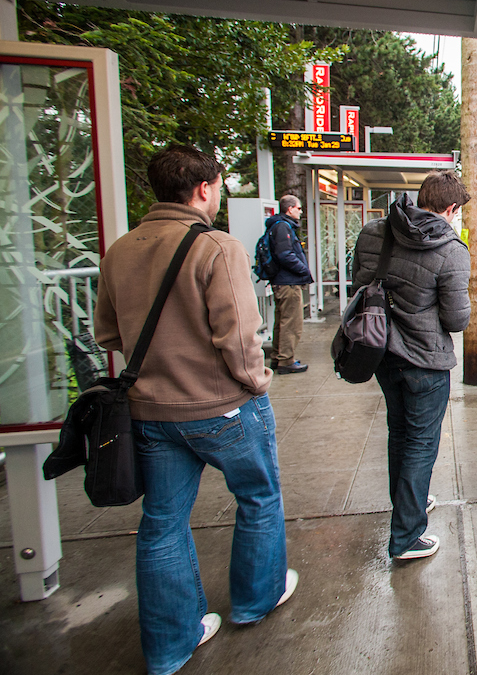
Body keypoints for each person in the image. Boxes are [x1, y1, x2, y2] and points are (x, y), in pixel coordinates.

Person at [94, 146, 296, 675]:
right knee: (258, 497)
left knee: (161, 523)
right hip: (223, 408)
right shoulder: (215, 246)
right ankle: (255, 601)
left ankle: (170, 647)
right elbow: (238, 336)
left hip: (150, 413)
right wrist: (257, 384)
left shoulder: (119, 251)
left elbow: (109, 334)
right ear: (204, 188)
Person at [351, 171, 471, 560]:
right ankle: (406, 536)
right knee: (421, 444)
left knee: (399, 433)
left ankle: (406, 502)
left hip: (380, 352)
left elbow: (360, 288)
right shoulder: (451, 249)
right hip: (424, 360)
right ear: (450, 209)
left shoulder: (373, 232)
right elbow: (456, 320)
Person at [265, 194, 314, 374]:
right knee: (291, 324)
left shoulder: (277, 225)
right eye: (299, 208)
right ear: (290, 208)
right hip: (288, 282)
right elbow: (285, 255)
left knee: (281, 321)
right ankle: (286, 360)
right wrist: (304, 270)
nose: (300, 212)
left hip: (281, 281)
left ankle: (279, 357)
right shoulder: (283, 227)